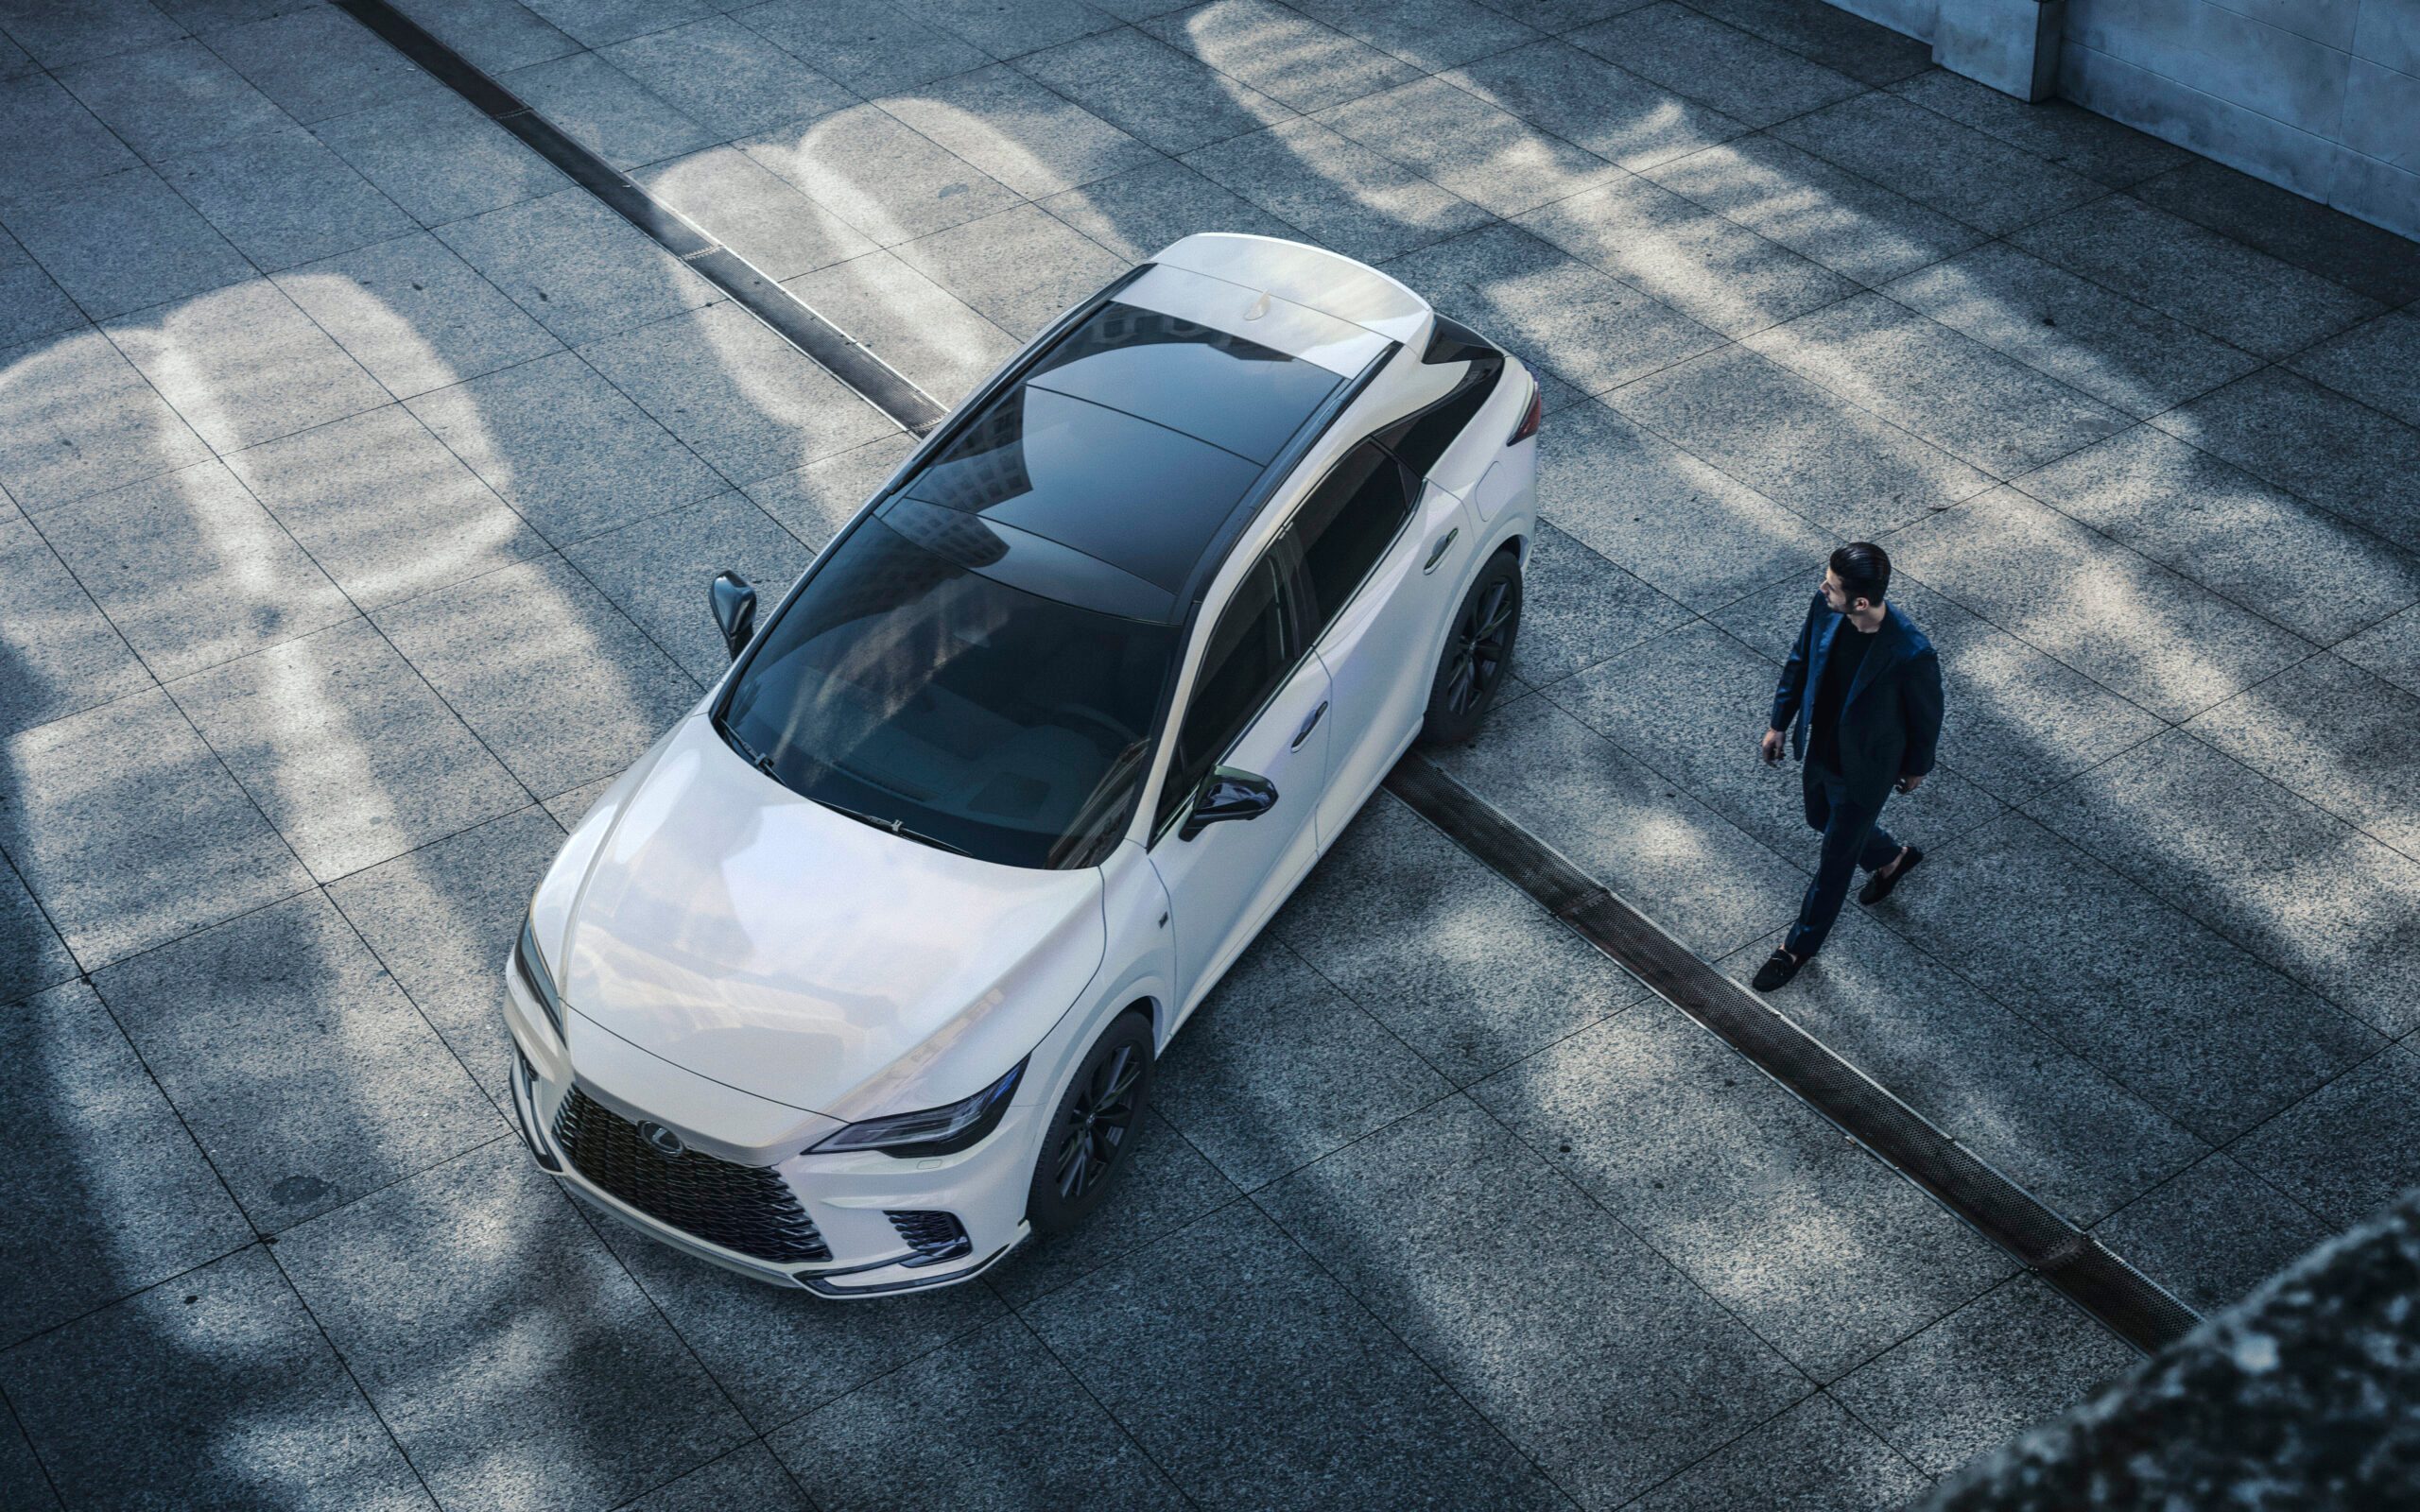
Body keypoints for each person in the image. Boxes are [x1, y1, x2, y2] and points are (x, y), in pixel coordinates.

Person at [1752, 542, 1944, 991]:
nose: (1822, 589)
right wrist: (1779, 723)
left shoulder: (1911, 652)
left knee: (1836, 858)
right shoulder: (1825, 608)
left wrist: (1917, 766)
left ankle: (1796, 948)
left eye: (1832, 585)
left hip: (1869, 768)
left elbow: (1926, 714)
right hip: (1823, 747)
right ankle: (1892, 858)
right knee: (1820, 818)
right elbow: (1801, 661)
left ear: (1861, 601)